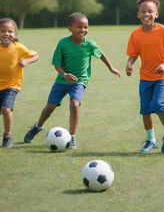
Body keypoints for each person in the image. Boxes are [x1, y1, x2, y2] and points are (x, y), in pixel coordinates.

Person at [24, 12, 120, 149]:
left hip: (79, 81)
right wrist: (64, 75)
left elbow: (101, 54)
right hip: (62, 80)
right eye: (79, 27)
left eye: (86, 27)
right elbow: (56, 64)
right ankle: (38, 127)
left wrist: (111, 68)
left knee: (75, 105)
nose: (83, 30)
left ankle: (72, 138)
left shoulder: (90, 44)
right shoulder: (63, 43)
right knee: (50, 107)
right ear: (70, 28)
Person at [125, 0, 164, 153]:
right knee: (146, 110)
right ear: (138, 14)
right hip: (145, 77)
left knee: (158, 104)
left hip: (163, 75)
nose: (147, 14)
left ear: (156, 14)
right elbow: (134, 53)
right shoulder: (135, 34)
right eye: (143, 11)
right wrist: (129, 64)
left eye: (150, 11)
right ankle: (151, 140)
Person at [0, 18, 39, 148]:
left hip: (12, 85)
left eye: (10, 31)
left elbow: (36, 56)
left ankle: (7, 135)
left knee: (6, 108)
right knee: (4, 110)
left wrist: (26, 61)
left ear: (15, 34)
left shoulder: (19, 48)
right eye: (2, 31)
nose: (6, 34)